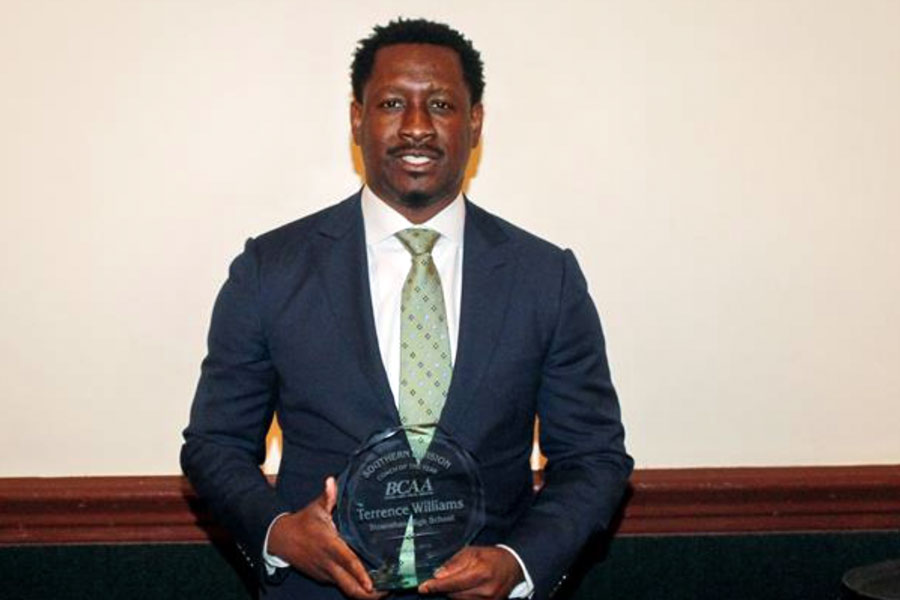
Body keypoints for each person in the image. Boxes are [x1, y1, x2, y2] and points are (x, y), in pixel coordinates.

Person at [181, 18, 632, 600]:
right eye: (393, 103)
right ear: (356, 118)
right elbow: (214, 444)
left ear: (474, 122)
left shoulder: (546, 277)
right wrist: (280, 533)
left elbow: (594, 456)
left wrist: (519, 564)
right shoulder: (271, 269)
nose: (416, 127)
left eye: (441, 104)